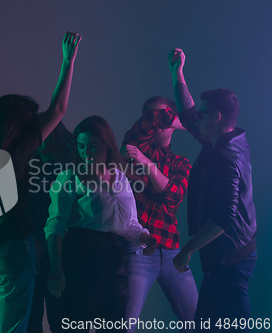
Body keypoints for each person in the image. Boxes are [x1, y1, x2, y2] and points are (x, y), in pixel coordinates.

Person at [0, 31, 81, 333]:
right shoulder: (17, 149)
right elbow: (58, 110)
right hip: (10, 247)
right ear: (20, 123)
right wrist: (68, 61)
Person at [169, 48, 257, 332]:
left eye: (203, 116)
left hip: (229, 259)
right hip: (226, 258)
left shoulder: (224, 156)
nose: (197, 120)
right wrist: (177, 73)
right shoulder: (225, 140)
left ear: (217, 117)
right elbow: (189, 115)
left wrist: (186, 251)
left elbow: (223, 216)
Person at [45, 116, 158, 333]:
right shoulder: (70, 177)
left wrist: (144, 237)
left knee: (114, 325)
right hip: (81, 254)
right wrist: (56, 269)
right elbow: (55, 225)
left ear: (107, 145)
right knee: (76, 323)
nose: (86, 153)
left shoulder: (120, 178)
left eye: (93, 147)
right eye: (81, 147)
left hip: (114, 256)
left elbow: (128, 224)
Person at [119, 97, 198, 332]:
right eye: (158, 119)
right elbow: (151, 120)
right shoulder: (134, 144)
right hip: (139, 247)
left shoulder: (180, 162)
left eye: (168, 118)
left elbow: (174, 194)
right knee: (126, 324)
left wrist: (148, 166)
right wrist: (183, 122)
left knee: (197, 320)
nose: (160, 123)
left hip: (172, 249)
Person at [27, 121, 74, 333]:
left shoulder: (67, 166)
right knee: (35, 316)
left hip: (59, 248)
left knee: (59, 315)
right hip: (37, 247)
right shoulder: (30, 164)